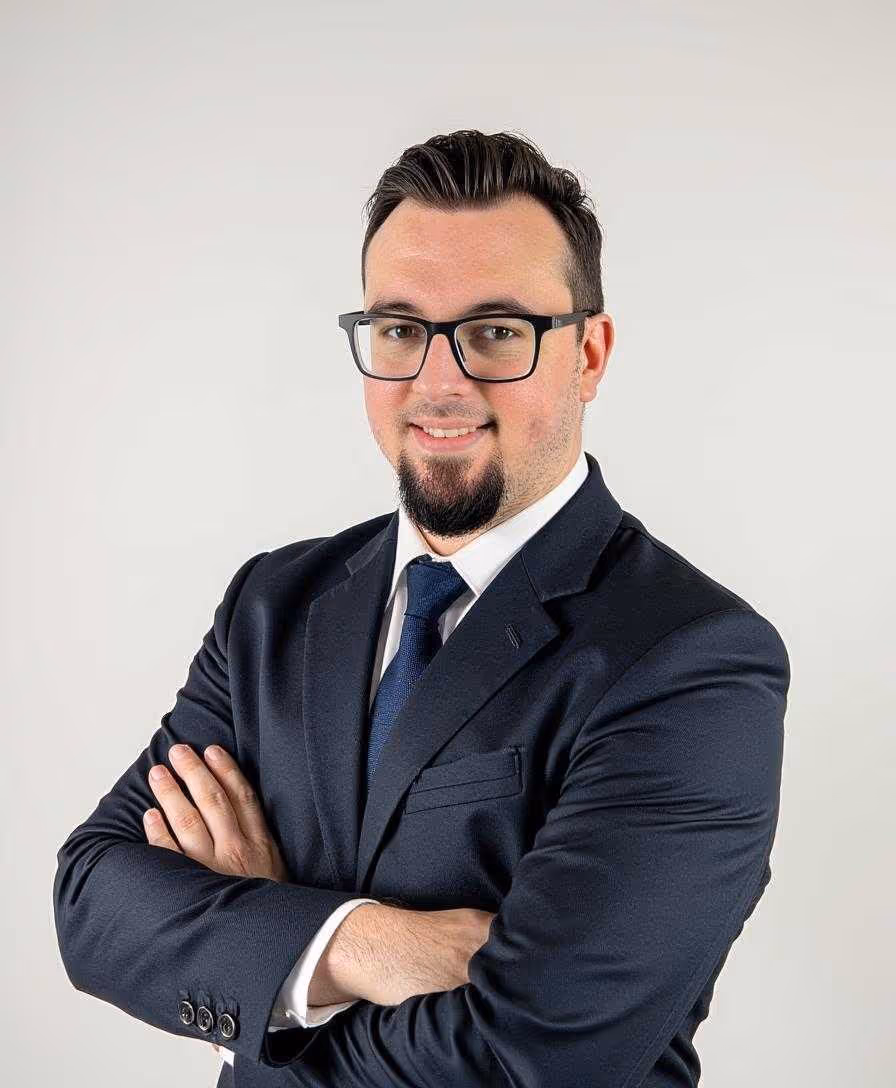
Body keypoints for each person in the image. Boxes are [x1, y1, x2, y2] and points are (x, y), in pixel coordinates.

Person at [53, 129, 790, 1087]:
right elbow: (93, 900)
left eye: (497, 332)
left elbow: (527, 1060)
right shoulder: (274, 604)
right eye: (401, 330)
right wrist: (354, 944)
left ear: (589, 355)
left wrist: (263, 963)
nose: (439, 383)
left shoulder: (693, 659)